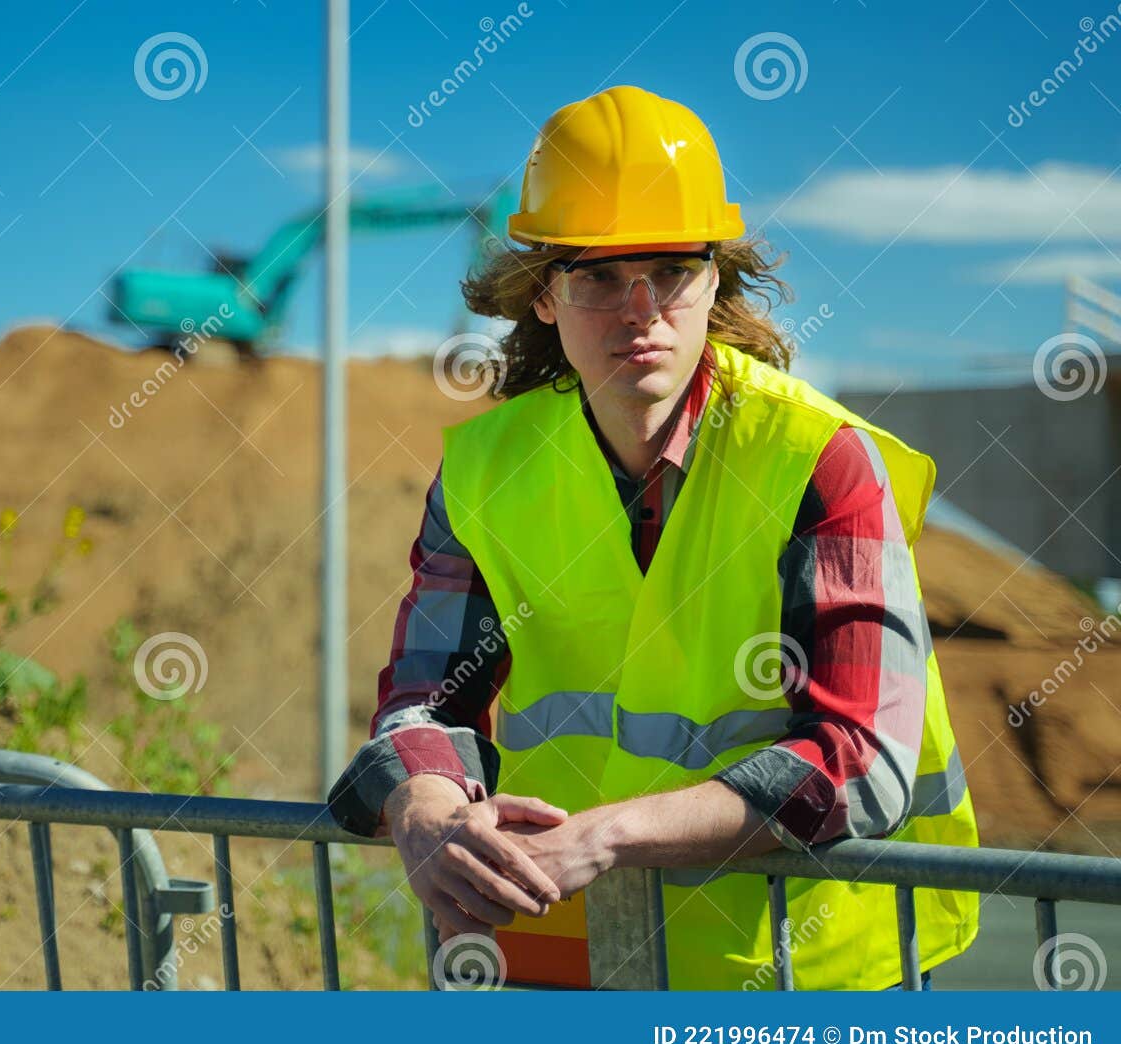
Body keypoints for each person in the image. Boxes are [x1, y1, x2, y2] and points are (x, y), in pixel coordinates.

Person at [326, 85, 979, 990]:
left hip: (796, 972)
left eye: (670, 269)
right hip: (562, 958)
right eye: (597, 274)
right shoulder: (486, 472)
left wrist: (605, 837)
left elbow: (860, 760)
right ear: (544, 296)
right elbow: (427, 701)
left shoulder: (818, 463)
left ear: (716, 281)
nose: (640, 309)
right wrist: (424, 805)